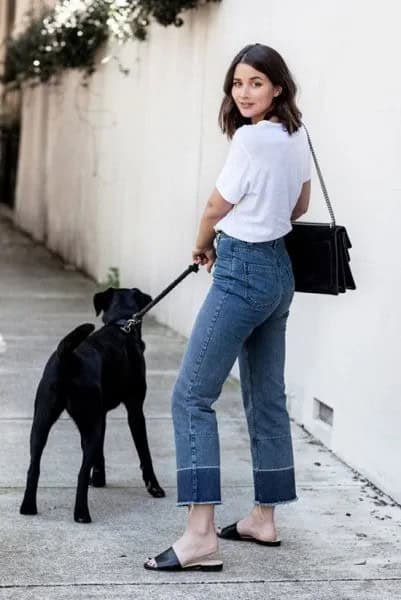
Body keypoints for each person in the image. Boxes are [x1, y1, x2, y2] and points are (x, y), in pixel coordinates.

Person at [144, 43, 311, 572]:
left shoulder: (251, 139)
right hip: (280, 273)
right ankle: (264, 517)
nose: (243, 92)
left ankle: (199, 536)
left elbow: (217, 205)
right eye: (237, 82)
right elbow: (300, 204)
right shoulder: (296, 134)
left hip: (240, 271)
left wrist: (203, 240)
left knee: (191, 398)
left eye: (256, 83)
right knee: (265, 397)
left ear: (277, 87)